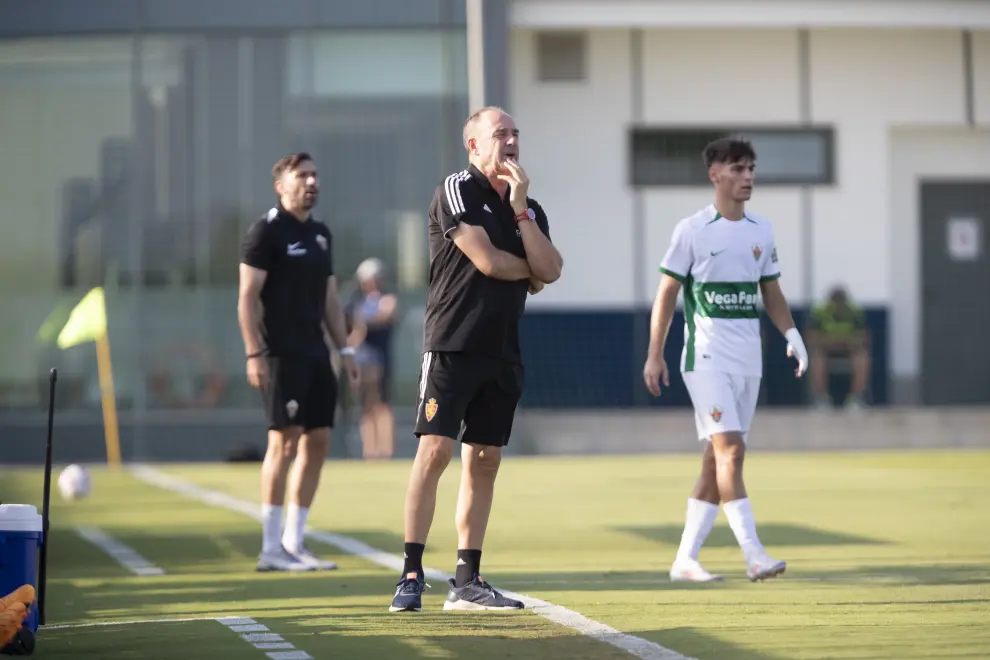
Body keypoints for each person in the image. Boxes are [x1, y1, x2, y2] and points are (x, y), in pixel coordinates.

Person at [389, 107, 563, 613]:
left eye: (514, 134)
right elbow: (487, 259)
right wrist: (526, 269)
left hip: (503, 350)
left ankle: (467, 579)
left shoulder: (528, 209)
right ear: (473, 145)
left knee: (484, 460)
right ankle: (411, 573)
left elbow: (550, 270)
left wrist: (522, 208)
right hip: (452, 343)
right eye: (499, 134)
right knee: (435, 451)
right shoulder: (456, 189)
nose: (510, 142)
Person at [642, 136, 808, 583]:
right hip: (706, 358)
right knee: (731, 451)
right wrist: (655, 354)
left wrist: (792, 333)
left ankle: (684, 560)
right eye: (737, 168)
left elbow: (771, 292)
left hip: (747, 362)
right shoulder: (693, 230)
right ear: (714, 174)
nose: (747, 177)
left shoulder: (761, 230)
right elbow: (667, 293)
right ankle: (753, 555)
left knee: (716, 462)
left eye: (751, 168)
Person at [238, 151, 359, 572]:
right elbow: (247, 298)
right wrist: (254, 352)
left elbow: (329, 297)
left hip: (316, 354)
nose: (311, 182)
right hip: (280, 355)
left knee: (318, 441)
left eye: (314, 175)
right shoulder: (265, 232)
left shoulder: (321, 235)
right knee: (283, 442)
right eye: (302, 175)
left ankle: (294, 542)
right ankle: (270, 548)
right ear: (281, 185)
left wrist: (343, 349)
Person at [348, 257, 399, 460]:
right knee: (367, 406)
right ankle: (369, 451)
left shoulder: (387, 299)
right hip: (363, 359)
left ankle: (385, 450)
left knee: (383, 405)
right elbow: (355, 333)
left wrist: (363, 324)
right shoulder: (358, 303)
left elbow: (386, 315)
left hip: (380, 358)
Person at [807, 286, 870, 410]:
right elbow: (810, 337)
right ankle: (821, 399)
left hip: (850, 349)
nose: (838, 306)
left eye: (841, 303)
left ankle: (855, 398)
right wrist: (828, 341)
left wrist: (847, 342)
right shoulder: (820, 312)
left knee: (862, 357)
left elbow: (864, 337)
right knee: (816, 358)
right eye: (835, 303)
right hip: (826, 349)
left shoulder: (854, 312)